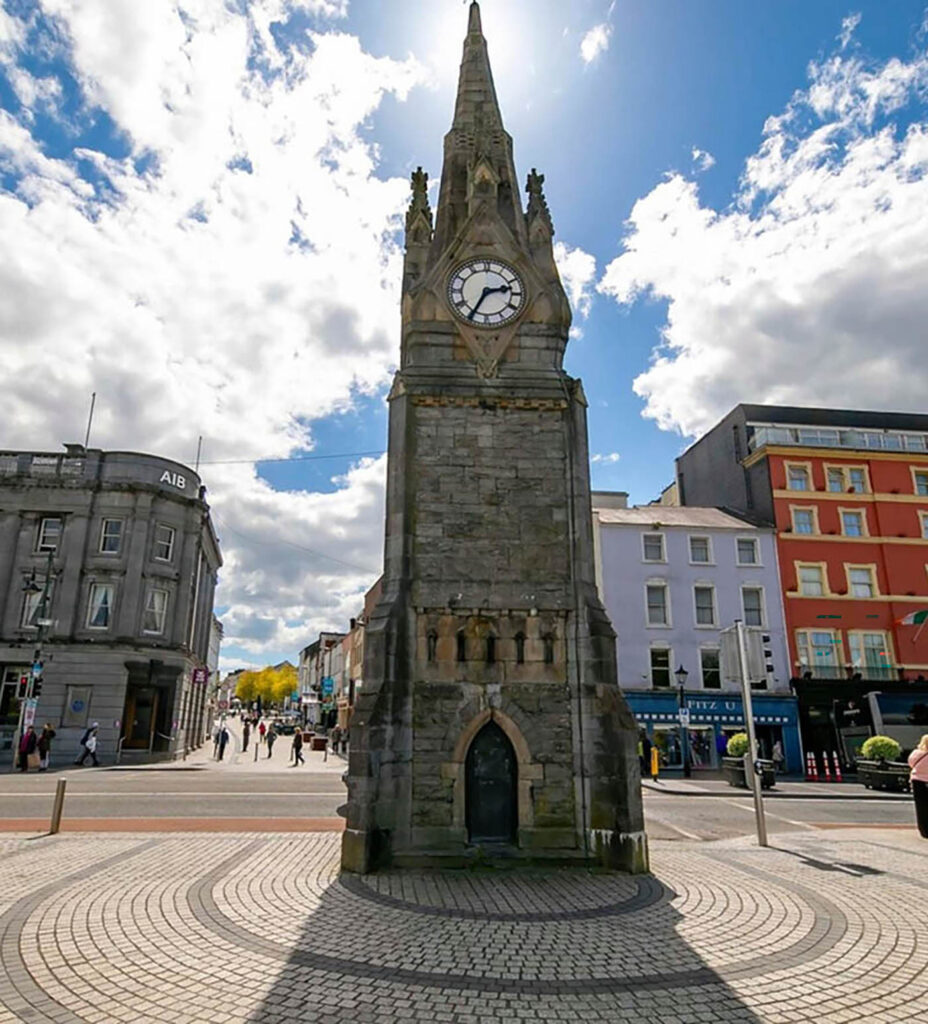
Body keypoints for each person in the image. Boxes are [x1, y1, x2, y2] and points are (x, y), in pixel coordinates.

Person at [909, 734, 928, 839]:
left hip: (917, 780)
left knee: (921, 806)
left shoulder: (916, 753)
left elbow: (911, 764)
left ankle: (924, 830)